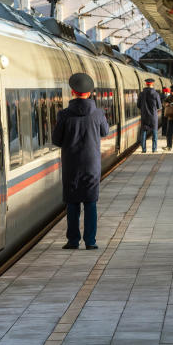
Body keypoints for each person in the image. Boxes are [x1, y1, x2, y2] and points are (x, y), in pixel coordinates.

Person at [52, 72, 109, 250]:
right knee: (91, 202)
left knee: (72, 203)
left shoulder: (64, 115)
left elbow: (56, 140)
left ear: (73, 92)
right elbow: (105, 132)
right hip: (92, 164)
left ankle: (73, 240)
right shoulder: (98, 113)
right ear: (90, 92)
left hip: (71, 164)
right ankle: (90, 241)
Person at [138, 78, 162, 152]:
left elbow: (138, 105)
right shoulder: (155, 94)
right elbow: (159, 106)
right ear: (152, 84)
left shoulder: (141, 94)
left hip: (144, 116)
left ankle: (143, 149)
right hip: (153, 117)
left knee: (144, 133)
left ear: (146, 84)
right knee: (154, 133)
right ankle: (154, 149)